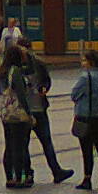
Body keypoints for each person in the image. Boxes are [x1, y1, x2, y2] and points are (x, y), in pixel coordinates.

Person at [24, 47, 73, 184]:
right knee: (25, 144)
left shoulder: (38, 64)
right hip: (24, 112)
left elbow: (46, 80)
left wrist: (45, 87)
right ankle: (28, 174)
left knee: (46, 142)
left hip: (39, 109)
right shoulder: (14, 67)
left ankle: (55, 171)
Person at [70, 50, 98, 190]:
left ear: (91, 63)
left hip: (86, 117)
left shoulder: (85, 77)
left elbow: (74, 94)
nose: (82, 63)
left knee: (87, 149)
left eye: (84, 60)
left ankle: (87, 179)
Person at [0, 44, 35, 189]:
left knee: (9, 144)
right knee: (19, 145)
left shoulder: (2, 71)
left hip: (6, 112)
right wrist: (29, 113)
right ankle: (19, 177)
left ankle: (9, 177)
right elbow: (21, 94)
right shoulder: (16, 72)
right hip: (17, 113)